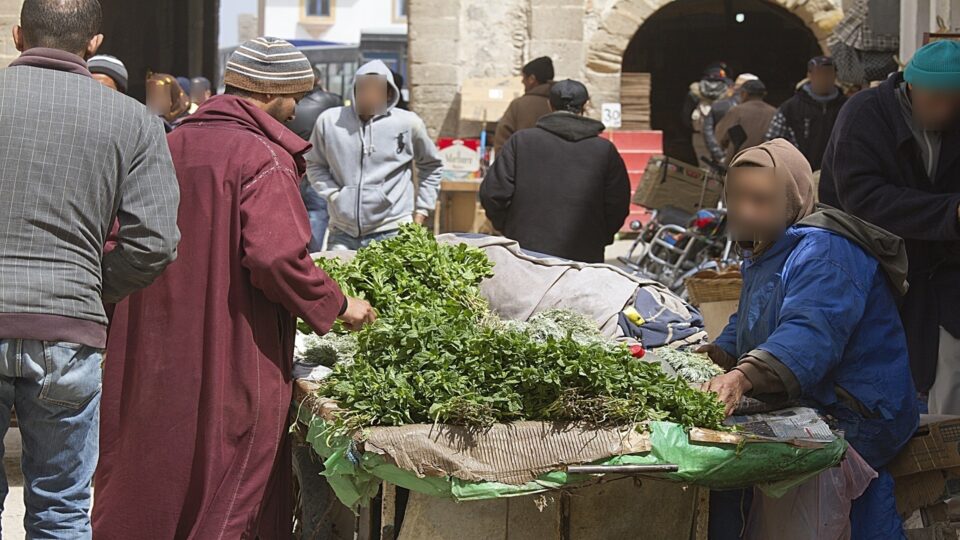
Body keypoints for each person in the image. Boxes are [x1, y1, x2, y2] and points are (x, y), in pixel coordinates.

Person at [92, 37, 377, 539]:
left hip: (149, 343)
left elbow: (118, 238)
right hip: (232, 346)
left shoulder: (167, 141)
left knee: (152, 463)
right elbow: (275, 256)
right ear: (272, 92)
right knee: (232, 473)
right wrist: (336, 304)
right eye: (296, 96)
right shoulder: (262, 156)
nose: (296, 110)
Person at [0, 0, 181, 536]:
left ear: (16, 35)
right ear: (94, 44)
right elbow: (154, 244)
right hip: (68, 332)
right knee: (61, 508)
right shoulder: (133, 120)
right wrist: (89, 287)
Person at [700, 139, 918, 539]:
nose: (744, 211)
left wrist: (743, 376)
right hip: (812, 397)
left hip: (861, 410)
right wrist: (720, 351)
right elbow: (753, 314)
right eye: (735, 197)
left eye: (760, 200)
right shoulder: (768, 246)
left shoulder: (823, 252)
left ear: (793, 197)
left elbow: (809, 334)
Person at [819, 40, 960, 414]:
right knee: (876, 381)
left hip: (943, 276)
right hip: (868, 270)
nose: (946, 109)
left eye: (954, 99)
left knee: (948, 376)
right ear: (911, 86)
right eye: (937, 98)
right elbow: (863, 199)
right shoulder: (864, 113)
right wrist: (950, 214)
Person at [480, 79, 630, 263]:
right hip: (584, 259)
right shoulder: (605, 150)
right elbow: (618, 204)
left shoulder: (521, 142)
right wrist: (598, 236)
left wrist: (509, 228)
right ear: (585, 106)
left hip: (526, 255)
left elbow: (493, 194)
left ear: (549, 105)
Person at [306, 59, 443, 250]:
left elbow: (432, 166)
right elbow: (313, 163)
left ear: (389, 93)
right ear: (354, 89)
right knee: (335, 280)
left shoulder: (407, 123)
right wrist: (334, 195)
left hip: (393, 230)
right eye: (363, 88)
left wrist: (421, 212)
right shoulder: (329, 121)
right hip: (342, 232)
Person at [764, 56, 846, 170]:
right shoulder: (790, 108)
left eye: (828, 73)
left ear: (835, 76)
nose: (823, 78)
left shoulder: (846, 107)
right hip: (802, 175)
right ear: (809, 76)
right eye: (819, 73)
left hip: (838, 174)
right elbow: (773, 144)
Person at [287, 86, 344, 251]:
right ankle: (312, 256)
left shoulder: (291, 107)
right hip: (318, 168)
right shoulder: (330, 102)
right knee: (317, 213)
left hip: (293, 169)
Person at [493, 56, 554, 153]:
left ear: (532, 79)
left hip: (522, 165)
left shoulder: (519, 105)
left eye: (524, 77)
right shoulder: (561, 103)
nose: (522, 81)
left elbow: (502, 140)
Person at [714, 79, 777, 163]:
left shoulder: (737, 111)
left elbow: (721, 137)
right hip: (766, 163)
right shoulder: (774, 112)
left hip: (739, 162)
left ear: (744, 94)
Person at [704, 73, 758, 164]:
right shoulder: (761, 111)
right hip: (747, 161)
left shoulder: (718, 106)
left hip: (722, 159)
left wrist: (718, 154)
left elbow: (707, 131)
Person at [682, 66, 730, 166]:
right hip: (722, 136)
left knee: (704, 167)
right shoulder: (729, 92)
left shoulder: (694, 93)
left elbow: (686, 115)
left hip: (699, 134)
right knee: (723, 167)